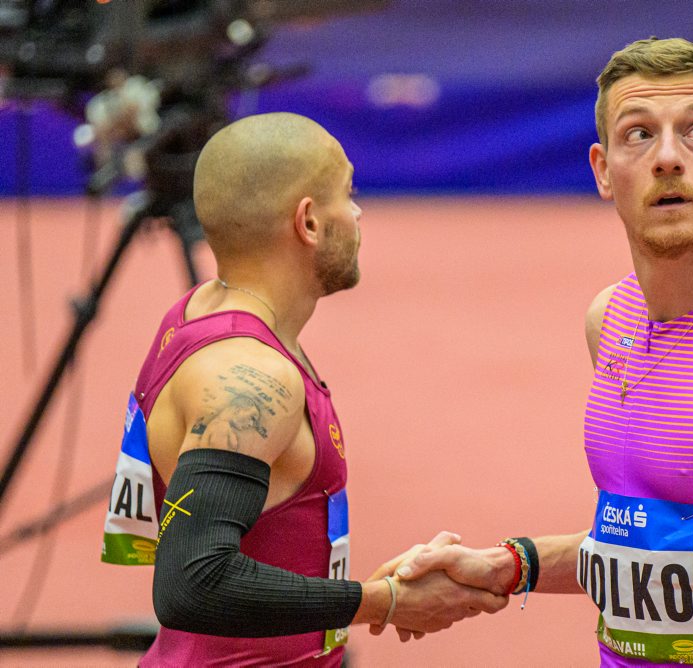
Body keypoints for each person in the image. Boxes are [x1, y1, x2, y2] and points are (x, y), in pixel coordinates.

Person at [392, 37, 693, 667]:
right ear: (602, 169)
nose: (669, 158)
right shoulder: (611, 318)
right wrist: (507, 566)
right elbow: (660, 549)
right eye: (638, 135)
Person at [100, 112, 506, 666]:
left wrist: (354, 591)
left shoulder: (198, 311)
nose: (359, 213)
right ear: (309, 222)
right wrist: (380, 603)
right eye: (348, 194)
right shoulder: (250, 378)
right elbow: (193, 584)